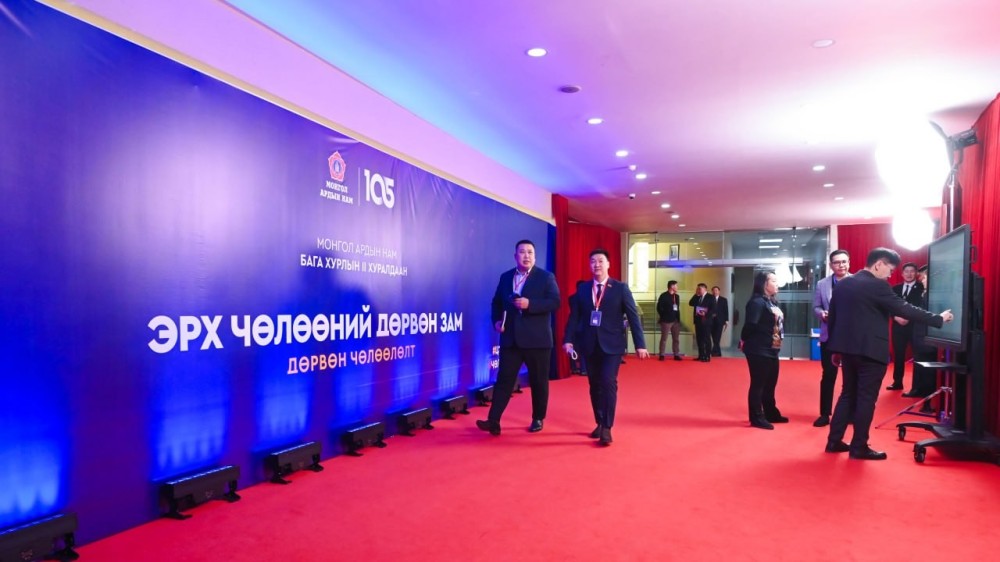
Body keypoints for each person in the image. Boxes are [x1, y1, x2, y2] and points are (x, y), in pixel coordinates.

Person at [824, 248, 953, 460]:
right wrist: (938, 319)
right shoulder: (878, 285)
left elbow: (834, 318)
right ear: (879, 264)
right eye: (890, 270)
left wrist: (835, 348)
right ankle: (859, 447)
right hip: (871, 352)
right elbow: (905, 309)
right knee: (866, 399)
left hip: (846, 350)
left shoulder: (844, 284)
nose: (890, 275)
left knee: (847, 394)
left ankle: (833, 441)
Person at [563, 248, 649, 446]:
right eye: (593, 261)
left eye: (601, 261)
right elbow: (574, 317)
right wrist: (568, 340)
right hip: (589, 344)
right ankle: (600, 422)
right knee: (594, 385)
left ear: (608, 264)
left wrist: (640, 344)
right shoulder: (583, 289)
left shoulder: (620, 288)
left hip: (612, 345)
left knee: (608, 382)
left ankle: (607, 427)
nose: (597, 265)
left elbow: (633, 316)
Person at [476, 240, 560, 436]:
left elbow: (555, 302)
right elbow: (496, 303)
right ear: (515, 256)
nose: (526, 255)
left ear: (535, 257)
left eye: (530, 252)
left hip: (538, 341)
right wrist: (497, 322)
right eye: (522, 252)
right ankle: (494, 420)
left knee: (539, 381)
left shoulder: (546, 277)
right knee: (504, 380)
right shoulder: (506, 277)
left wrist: (530, 304)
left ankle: (538, 417)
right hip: (511, 339)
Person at [739, 271, 787, 429]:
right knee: (758, 384)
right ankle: (756, 417)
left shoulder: (771, 302)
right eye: (773, 281)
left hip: (772, 348)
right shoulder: (757, 302)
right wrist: (743, 339)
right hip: (758, 349)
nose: (777, 284)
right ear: (764, 284)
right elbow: (750, 325)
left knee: (771, 383)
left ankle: (771, 412)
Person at [811, 249, 851, 427]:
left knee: (851, 376)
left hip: (851, 337)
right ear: (831, 265)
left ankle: (849, 413)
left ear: (848, 263)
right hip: (829, 336)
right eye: (837, 262)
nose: (841, 265)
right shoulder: (822, 284)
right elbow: (816, 307)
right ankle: (824, 413)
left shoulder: (857, 282)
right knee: (828, 375)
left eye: (844, 262)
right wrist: (822, 314)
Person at [887, 262, 924, 391]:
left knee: (918, 355)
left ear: (916, 273)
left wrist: (909, 318)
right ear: (902, 274)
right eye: (906, 271)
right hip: (898, 327)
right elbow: (889, 306)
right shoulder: (895, 288)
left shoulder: (921, 288)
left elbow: (921, 306)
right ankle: (897, 382)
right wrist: (895, 317)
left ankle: (917, 386)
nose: (909, 274)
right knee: (898, 355)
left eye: (912, 271)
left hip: (915, 327)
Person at [905, 264, 937, 407]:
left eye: (925, 278)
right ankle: (919, 391)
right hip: (918, 335)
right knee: (919, 366)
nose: (922, 280)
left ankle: (928, 403)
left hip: (928, 338)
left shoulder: (934, 295)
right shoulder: (924, 293)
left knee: (928, 371)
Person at [655, 280, 683, 361]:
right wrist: (663, 316)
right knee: (664, 338)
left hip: (675, 320)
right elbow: (659, 307)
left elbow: (677, 308)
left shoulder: (677, 296)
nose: (677, 287)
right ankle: (662, 354)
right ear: (672, 286)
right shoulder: (663, 295)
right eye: (676, 286)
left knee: (676, 339)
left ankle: (676, 354)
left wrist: (678, 319)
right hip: (666, 320)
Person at [689, 283, 716, 362]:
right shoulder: (698, 297)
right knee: (699, 338)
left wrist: (705, 314)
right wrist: (696, 294)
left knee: (706, 338)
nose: (698, 290)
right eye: (697, 289)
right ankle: (701, 355)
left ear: (705, 289)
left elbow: (713, 309)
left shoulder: (710, 297)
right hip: (698, 321)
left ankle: (707, 356)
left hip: (706, 321)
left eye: (700, 289)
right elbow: (690, 303)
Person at [710, 285, 729, 357]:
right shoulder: (709, 299)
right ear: (712, 292)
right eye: (713, 290)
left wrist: (726, 320)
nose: (715, 292)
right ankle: (718, 352)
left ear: (719, 291)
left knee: (717, 336)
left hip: (720, 321)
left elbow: (726, 310)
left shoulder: (723, 300)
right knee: (713, 336)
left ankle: (714, 351)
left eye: (716, 290)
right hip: (711, 320)